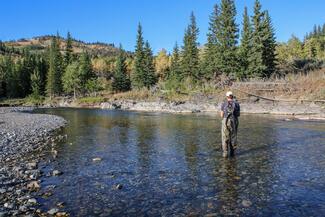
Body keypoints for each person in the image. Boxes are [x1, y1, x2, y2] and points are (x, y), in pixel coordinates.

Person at [220, 91, 240, 157]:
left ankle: (225, 154)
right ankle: (232, 153)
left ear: (227, 97)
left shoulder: (223, 103)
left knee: (225, 137)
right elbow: (238, 114)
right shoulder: (236, 103)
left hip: (226, 120)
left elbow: (221, 115)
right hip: (234, 120)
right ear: (232, 96)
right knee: (233, 136)